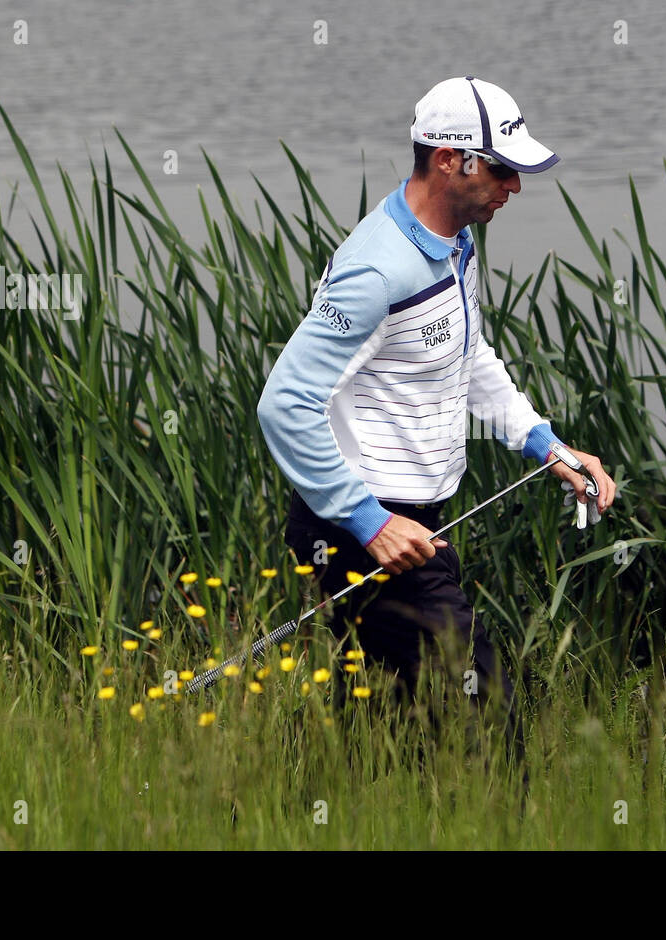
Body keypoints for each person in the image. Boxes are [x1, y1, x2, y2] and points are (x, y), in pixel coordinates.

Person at [256, 75, 617, 772]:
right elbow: (284, 404)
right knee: (487, 721)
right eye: (505, 169)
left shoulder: (452, 244)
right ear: (454, 160)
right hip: (361, 534)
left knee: (394, 736)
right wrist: (370, 523)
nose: (515, 187)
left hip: (414, 526)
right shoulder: (376, 269)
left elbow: (470, 354)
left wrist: (547, 447)